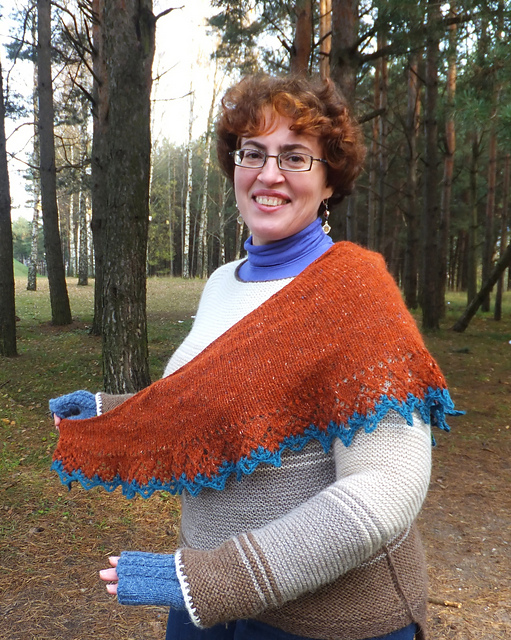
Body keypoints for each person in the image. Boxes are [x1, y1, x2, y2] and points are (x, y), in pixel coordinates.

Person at [50, 74, 461, 640]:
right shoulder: (224, 281)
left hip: (324, 621)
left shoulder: (357, 294)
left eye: (295, 157)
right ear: (235, 166)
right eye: (253, 153)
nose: (269, 174)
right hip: (207, 601)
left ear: (328, 179)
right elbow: (221, 399)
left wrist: (213, 581)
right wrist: (109, 411)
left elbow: (385, 489)